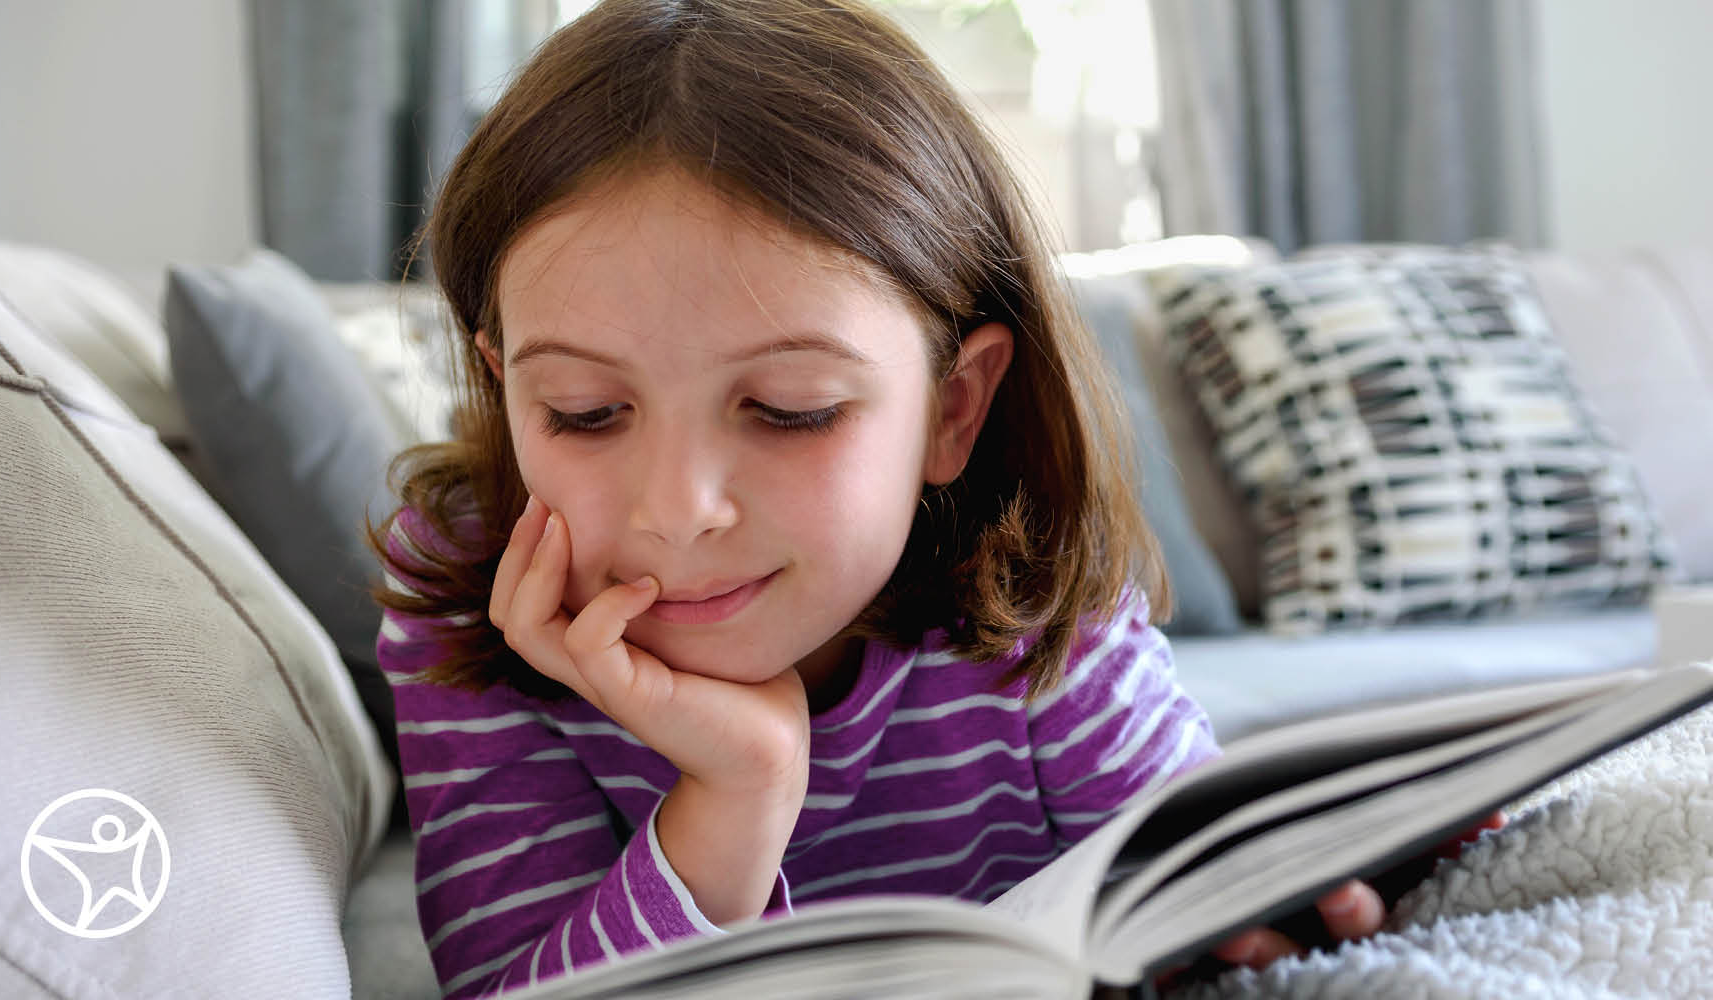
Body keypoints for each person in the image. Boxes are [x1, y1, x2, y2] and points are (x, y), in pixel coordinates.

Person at [372, 1, 1490, 996]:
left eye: (790, 408)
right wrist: (735, 794)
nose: (679, 509)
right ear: (503, 381)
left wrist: (1279, 900)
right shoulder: (471, 599)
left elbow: (1190, 868)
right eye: (582, 412)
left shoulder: (1029, 594)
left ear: (952, 411)